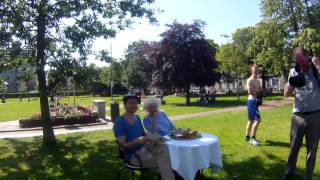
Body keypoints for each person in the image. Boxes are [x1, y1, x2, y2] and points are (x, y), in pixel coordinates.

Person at [113, 95, 175, 180]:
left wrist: (152, 138)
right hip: (133, 155)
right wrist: (137, 141)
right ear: (124, 104)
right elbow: (122, 147)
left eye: (135, 103)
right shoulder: (120, 122)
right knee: (167, 161)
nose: (134, 105)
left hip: (145, 148)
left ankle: (167, 176)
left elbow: (144, 134)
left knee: (166, 148)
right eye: (130, 103)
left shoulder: (137, 118)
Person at [283, 47, 320, 180]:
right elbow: (286, 93)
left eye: (303, 60)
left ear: (308, 57)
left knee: (312, 150)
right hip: (298, 116)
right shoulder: (294, 71)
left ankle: (308, 176)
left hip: (315, 116)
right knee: (293, 147)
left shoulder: (316, 70)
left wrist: (317, 65)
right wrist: (291, 85)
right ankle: (289, 172)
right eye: (298, 61)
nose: (301, 64)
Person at [245, 64, 263, 146]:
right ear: (252, 71)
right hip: (252, 101)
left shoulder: (258, 81)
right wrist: (257, 92)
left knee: (251, 120)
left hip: (256, 101)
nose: (256, 73)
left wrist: (261, 93)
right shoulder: (250, 80)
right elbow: (249, 92)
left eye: (257, 71)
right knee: (258, 120)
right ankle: (253, 138)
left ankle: (247, 137)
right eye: (254, 71)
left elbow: (260, 90)